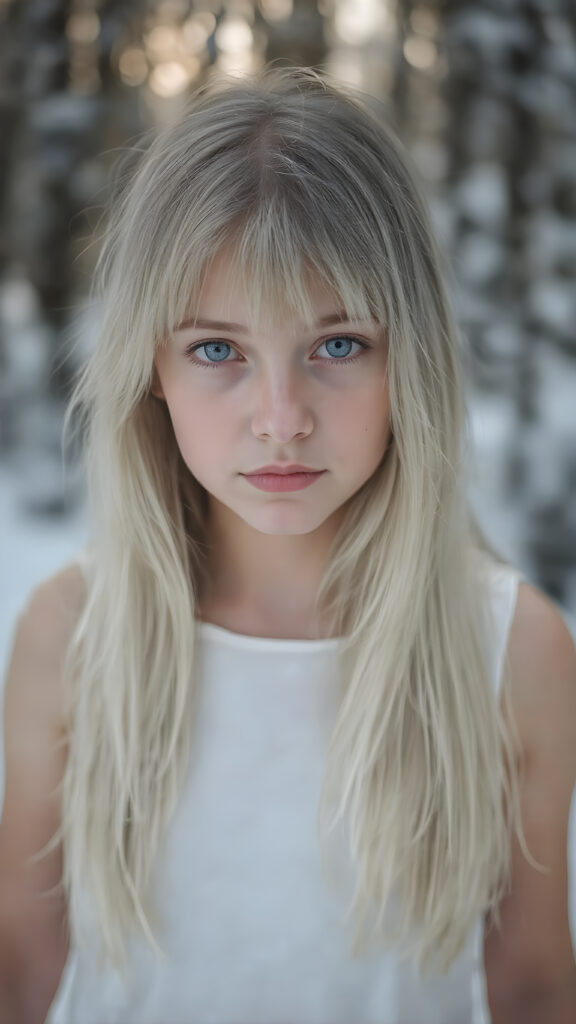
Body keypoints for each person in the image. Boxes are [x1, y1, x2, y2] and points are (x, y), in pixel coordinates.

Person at [1, 65, 575, 1024]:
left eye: (338, 345)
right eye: (218, 350)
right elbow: (21, 969)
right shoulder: (71, 636)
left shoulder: (513, 651)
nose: (281, 419)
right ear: (151, 366)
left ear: (411, 360)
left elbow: (536, 986)